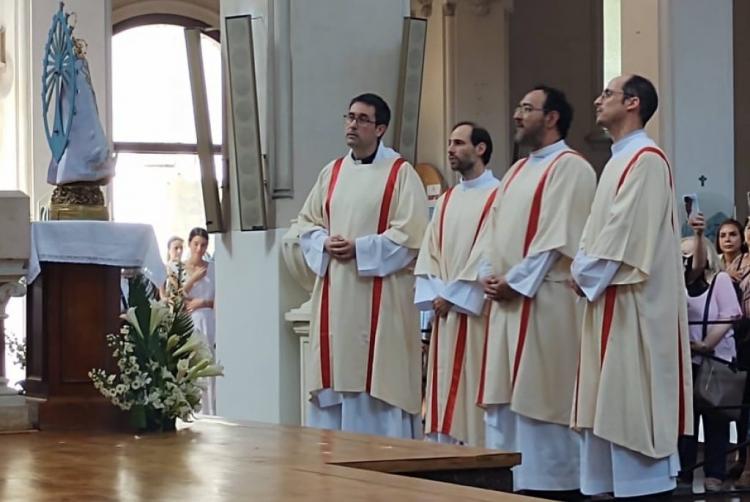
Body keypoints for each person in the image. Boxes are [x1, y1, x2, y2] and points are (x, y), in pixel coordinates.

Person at [570, 74, 693, 498]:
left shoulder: (647, 160)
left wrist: (582, 273)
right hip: (608, 299)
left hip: (634, 307)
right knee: (608, 416)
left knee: (632, 416)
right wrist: (583, 269)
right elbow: (595, 230)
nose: (597, 99)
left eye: (608, 93)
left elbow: (625, 235)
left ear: (633, 103)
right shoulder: (619, 159)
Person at [475, 85, 596, 495]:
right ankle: (512, 484)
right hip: (508, 305)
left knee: (544, 401)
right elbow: (492, 232)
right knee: (508, 403)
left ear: (552, 117)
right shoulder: (516, 171)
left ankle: (554, 486)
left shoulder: (572, 168)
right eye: (518, 107)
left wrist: (515, 281)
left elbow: (558, 235)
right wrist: (489, 274)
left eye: (527, 108)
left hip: (546, 302)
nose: (516, 115)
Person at [296, 93, 428, 438]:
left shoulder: (401, 173)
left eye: (362, 119)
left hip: (380, 301)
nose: (352, 124)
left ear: (380, 128)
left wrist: (361, 248)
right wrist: (323, 242)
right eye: (350, 117)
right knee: (336, 379)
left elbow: (411, 236)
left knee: (377, 382)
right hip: (336, 297)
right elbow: (305, 224)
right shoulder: (332, 171)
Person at [414, 121, 499, 446]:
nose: (450, 149)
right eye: (449, 143)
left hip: (477, 313)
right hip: (446, 314)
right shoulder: (447, 199)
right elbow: (430, 249)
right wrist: (438, 293)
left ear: (481, 149)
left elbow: (491, 250)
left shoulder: (498, 195)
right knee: (442, 384)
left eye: (459, 143)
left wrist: (452, 295)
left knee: (473, 382)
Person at [678, 234, 741, 492]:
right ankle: (685, 471)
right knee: (686, 421)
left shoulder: (720, 280)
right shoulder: (678, 286)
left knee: (716, 418)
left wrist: (707, 344)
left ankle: (715, 472)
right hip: (688, 359)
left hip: (716, 358)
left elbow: (731, 313)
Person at [183, 227, 216, 415]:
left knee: (207, 361)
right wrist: (193, 279)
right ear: (190, 244)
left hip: (207, 317)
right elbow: (175, 296)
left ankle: (210, 409)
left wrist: (203, 301)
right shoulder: (179, 268)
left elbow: (219, 297)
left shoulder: (212, 267)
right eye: (196, 244)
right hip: (189, 321)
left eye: (203, 245)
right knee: (190, 364)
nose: (199, 249)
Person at [161, 236, 185, 305]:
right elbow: (161, 293)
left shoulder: (186, 267)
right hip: (169, 306)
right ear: (169, 250)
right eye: (176, 248)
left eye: (181, 248)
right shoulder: (164, 268)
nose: (179, 251)